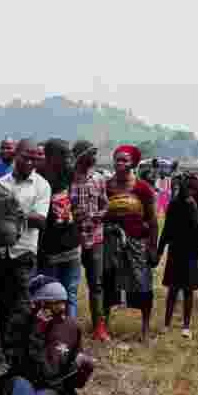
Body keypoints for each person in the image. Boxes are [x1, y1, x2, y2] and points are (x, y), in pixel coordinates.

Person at [0, 140, 51, 369]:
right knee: (4, 305)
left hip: (24, 252)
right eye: (25, 156)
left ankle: (22, 354)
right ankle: (5, 353)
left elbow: (41, 221)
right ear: (15, 155)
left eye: (34, 158)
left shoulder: (41, 186)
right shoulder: (0, 183)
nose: (29, 161)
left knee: (24, 306)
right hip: (1, 253)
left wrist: (14, 208)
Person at [103, 144, 159, 341]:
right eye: (117, 159)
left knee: (142, 282)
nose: (120, 163)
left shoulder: (143, 188)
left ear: (133, 163)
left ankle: (144, 328)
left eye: (124, 160)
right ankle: (103, 325)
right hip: (111, 242)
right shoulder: (107, 186)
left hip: (137, 244)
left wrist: (153, 248)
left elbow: (152, 220)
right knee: (108, 281)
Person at [157, 172, 198, 338]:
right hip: (177, 250)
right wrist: (159, 251)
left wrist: (195, 206)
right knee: (173, 289)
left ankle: (186, 326)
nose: (188, 190)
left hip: (192, 251)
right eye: (186, 186)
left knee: (188, 290)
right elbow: (166, 229)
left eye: (193, 187)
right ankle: (167, 323)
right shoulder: (174, 204)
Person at [37, 139, 82, 320]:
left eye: (70, 155)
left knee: (69, 293)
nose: (68, 159)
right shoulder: (38, 181)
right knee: (51, 297)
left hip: (71, 248)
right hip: (50, 251)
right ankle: (53, 336)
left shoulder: (68, 175)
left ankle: (68, 335)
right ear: (52, 157)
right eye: (64, 155)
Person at [68, 140, 110, 340]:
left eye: (96, 153)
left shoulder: (99, 179)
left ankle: (99, 327)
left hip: (95, 237)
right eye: (91, 153)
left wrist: (100, 215)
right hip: (72, 239)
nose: (95, 157)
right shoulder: (67, 178)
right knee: (71, 286)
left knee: (96, 284)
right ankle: (67, 329)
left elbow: (105, 204)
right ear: (79, 155)